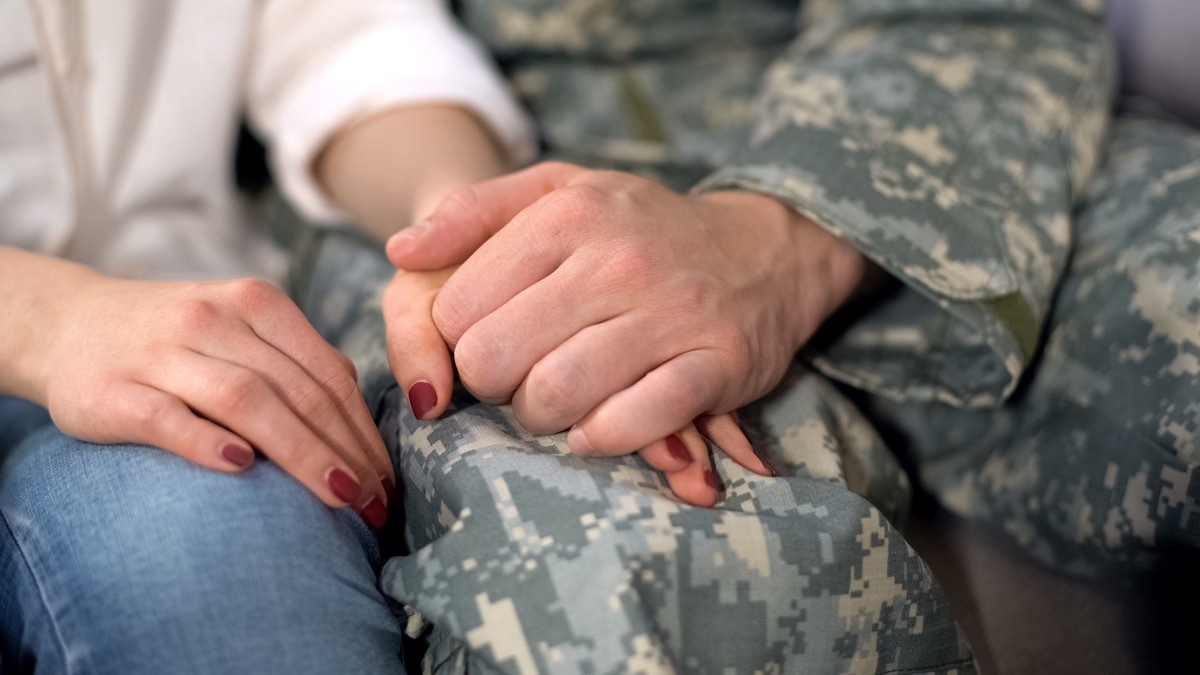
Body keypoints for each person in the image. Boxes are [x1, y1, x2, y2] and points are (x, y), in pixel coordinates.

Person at [299, 0, 1197, 671]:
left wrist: (779, 235)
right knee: (620, 600)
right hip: (437, 187)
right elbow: (320, 50)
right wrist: (475, 228)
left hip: (937, 124)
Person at [0, 0, 538, 672]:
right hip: (93, 328)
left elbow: (349, 43)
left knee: (220, 529)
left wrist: (458, 221)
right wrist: (47, 316)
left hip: (192, 320)